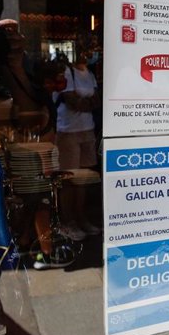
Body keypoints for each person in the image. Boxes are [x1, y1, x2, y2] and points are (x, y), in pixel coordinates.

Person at [54, 51, 101, 242]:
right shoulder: (68, 72)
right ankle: (67, 221)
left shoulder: (89, 73)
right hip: (68, 131)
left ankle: (81, 218)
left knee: (82, 179)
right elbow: (73, 102)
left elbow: (96, 100)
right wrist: (87, 103)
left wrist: (85, 103)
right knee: (68, 178)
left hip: (87, 130)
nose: (88, 51)